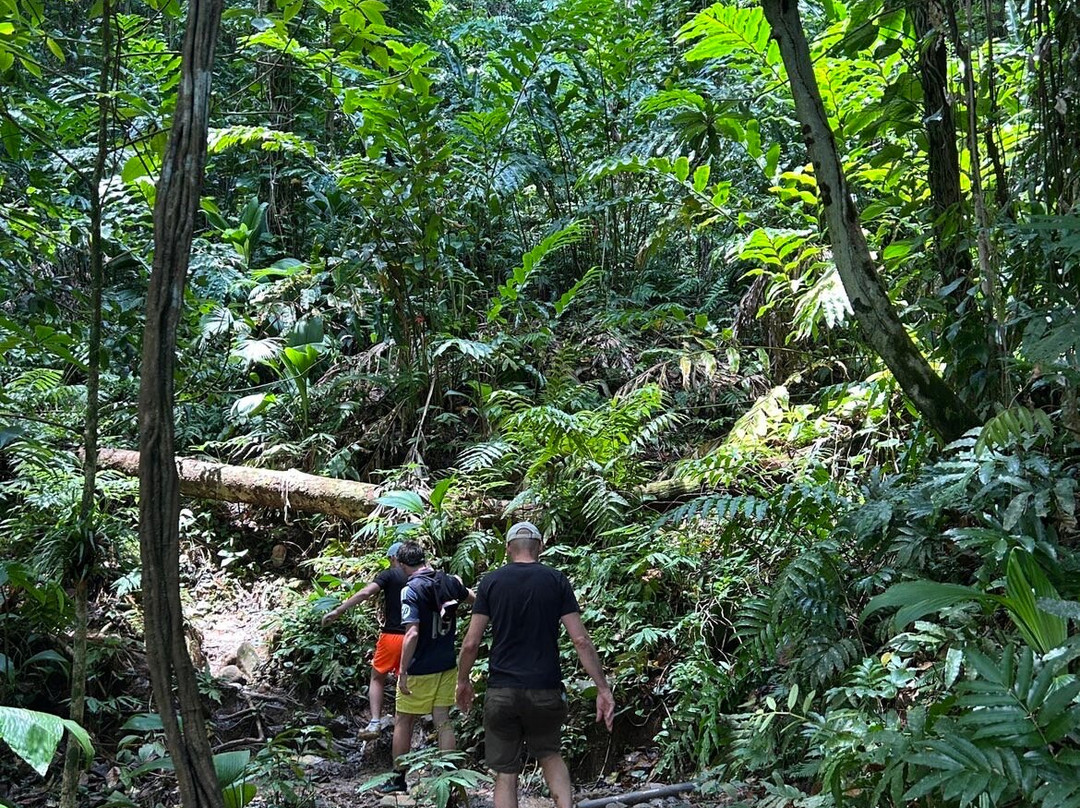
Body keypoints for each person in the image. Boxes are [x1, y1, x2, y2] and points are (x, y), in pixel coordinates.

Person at [456, 521, 615, 808]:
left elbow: (470, 643)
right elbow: (580, 640)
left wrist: (462, 681)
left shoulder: (491, 582)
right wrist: (602, 688)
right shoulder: (555, 580)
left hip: (502, 690)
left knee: (505, 773)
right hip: (545, 689)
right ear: (540, 547)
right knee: (551, 755)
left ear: (508, 549)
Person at [383, 541, 474, 793]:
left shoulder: (410, 589)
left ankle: (398, 779)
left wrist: (402, 671)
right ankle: (450, 777)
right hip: (446, 663)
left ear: (402, 564)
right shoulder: (449, 581)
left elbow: (411, 634)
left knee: (404, 721)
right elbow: (475, 600)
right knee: (442, 719)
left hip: (419, 667)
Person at [321, 541, 407, 738]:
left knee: (377, 677)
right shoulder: (421, 574)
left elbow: (366, 592)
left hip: (392, 635)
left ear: (394, 558)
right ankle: (405, 721)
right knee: (406, 677)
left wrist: (339, 610)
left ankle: (375, 721)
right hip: (416, 635)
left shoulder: (389, 574)